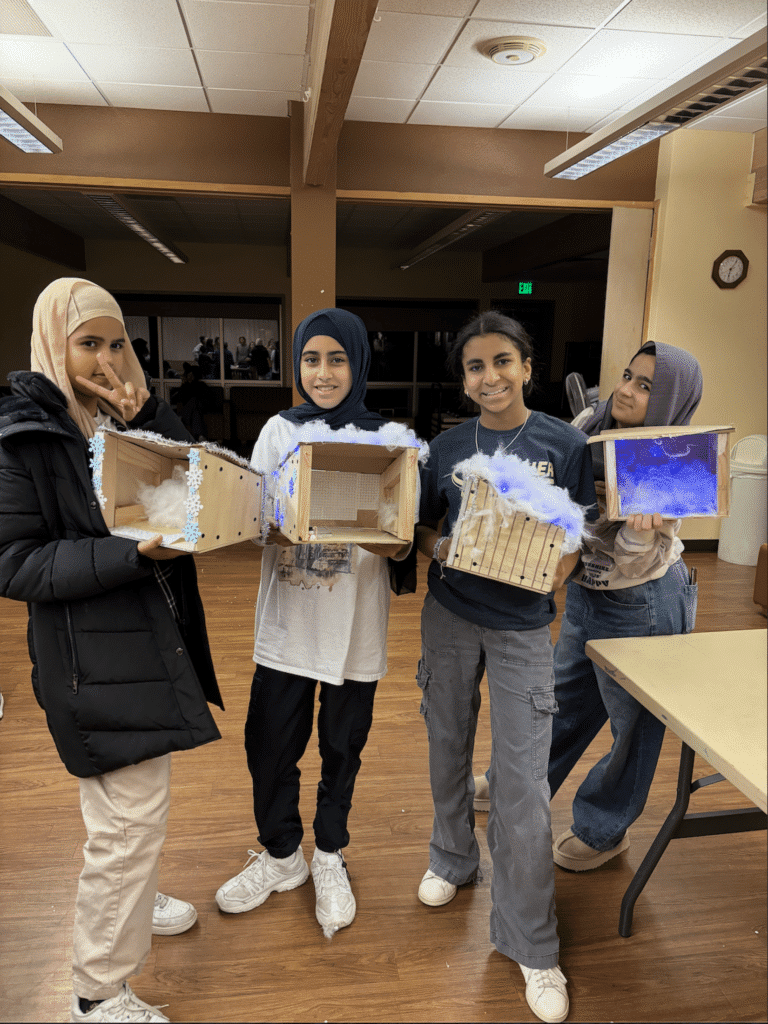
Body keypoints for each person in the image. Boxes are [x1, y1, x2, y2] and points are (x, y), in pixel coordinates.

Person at [0, 278, 224, 1023]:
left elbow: (181, 489)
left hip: (142, 642)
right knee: (127, 823)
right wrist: (130, 556)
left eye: (115, 343)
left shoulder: (109, 418)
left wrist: (150, 417)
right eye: (87, 342)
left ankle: (131, 900)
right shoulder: (23, 433)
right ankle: (97, 994)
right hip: (87, 658)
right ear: (52, 344)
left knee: (128, 813)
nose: (104, 358)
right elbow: (16, 563)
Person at [414, 311, 597, 1024]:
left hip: (524, 628)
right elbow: (425, 525)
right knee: (446, 742)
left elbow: (576, 533)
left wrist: (555, 574)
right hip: (451, 615)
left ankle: (531, 939)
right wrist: (442, 548)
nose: (489, 377)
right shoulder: (446, 447)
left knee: (522, 783)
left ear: (527, 367)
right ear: (463, 379)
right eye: (475, 367)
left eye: (502, 362)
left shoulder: (562, 442)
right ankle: (451, 857)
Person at [215, 308, 410, 938]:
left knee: (341, 748)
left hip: (356, 630)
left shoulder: (392, 438)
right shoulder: (279, 430)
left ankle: (329, 853)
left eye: (337, 359)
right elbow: (255, 527)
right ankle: (281, 855)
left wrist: (370, 524)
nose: (323, 373)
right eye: (310, 359)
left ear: (359, 363)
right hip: (288, 628)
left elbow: (403, 547)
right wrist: (280, 518)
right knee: (270, 747)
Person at [542, 342, 700, 871]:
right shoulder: (591, 424)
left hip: (645, 601)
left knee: (632, 726)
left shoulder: (674, 459)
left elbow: (634, 560)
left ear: (670, 400)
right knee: (561, 701)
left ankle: (602, 827)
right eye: (628, 377)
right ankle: (519, 787)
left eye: (645, 386)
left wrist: (635, 534)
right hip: (589, 592)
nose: (626, 391)